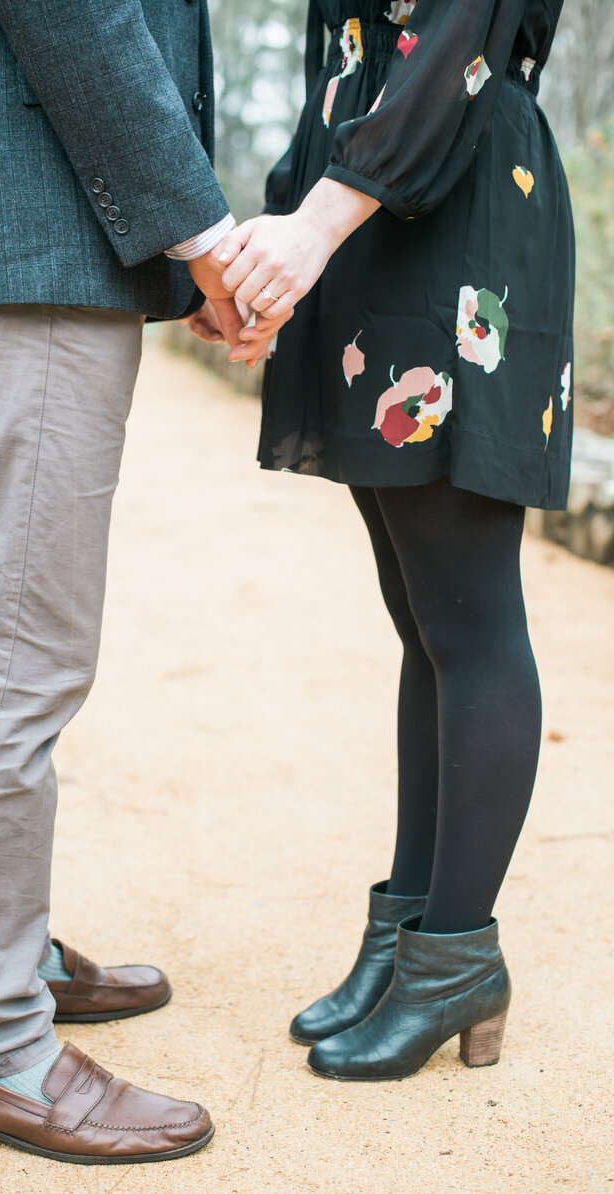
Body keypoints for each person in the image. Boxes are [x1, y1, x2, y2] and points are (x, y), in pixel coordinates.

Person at [0, 0, 278, 1164]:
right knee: (14, 647)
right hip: (29, 216)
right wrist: (192, 227)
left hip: (27, 208)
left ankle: (8, 956)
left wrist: (167, 239)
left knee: (15, 632)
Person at [215, 0, 573, 1081]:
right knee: (425, 624)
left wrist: (309, 229)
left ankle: (454, 954)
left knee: (467, 620)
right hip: (371, 223)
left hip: (458, 214)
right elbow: (345, 64)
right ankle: (410, 933)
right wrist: (269, 241)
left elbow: (452, 45)